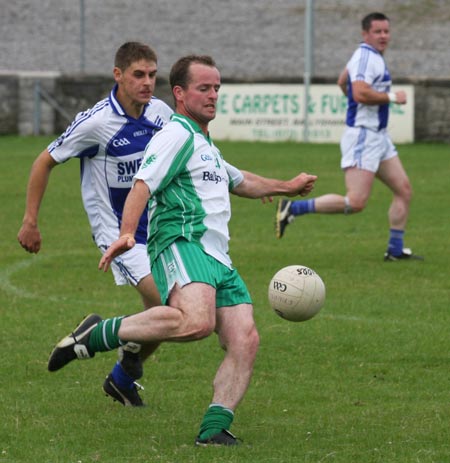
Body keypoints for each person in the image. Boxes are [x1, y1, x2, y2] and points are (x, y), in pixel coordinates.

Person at [46, 54, 317, 446]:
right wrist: (125, 234)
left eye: (217, 88)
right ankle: (95, 335)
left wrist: (287, 187)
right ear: (179, 93)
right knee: (196, 322)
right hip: (182, 241)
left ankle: (214, 429)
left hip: (218, 255)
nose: (213, 96)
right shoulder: (175, 135)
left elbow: (240, 181)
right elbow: (143, 182)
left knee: (246, 339)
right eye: (203, 88)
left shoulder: (203, 142)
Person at [17, 42, 174, 406]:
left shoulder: (161, 113)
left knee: (172, 315)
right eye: (138, 74)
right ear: (118, 75)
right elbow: (44, 161)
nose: (147, 82)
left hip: (160, 230)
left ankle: (121, 378)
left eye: (152, 74)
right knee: (163, 304)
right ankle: (101, 339)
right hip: (119, 235)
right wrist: (30, 221)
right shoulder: (97, 122)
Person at [276, 12, 423, 262]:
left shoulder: (366, 56)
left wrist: (358, 99)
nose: (384, 36)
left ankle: (395, 250)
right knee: (355, 202)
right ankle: (293, 208)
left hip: (378, 136)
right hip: (364, 137)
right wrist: (391, 97)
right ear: (365, 33)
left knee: (404, 190)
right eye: (378, 31)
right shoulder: (366, 56)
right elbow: (359, 92)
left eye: (386, 31)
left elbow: (343, 81)